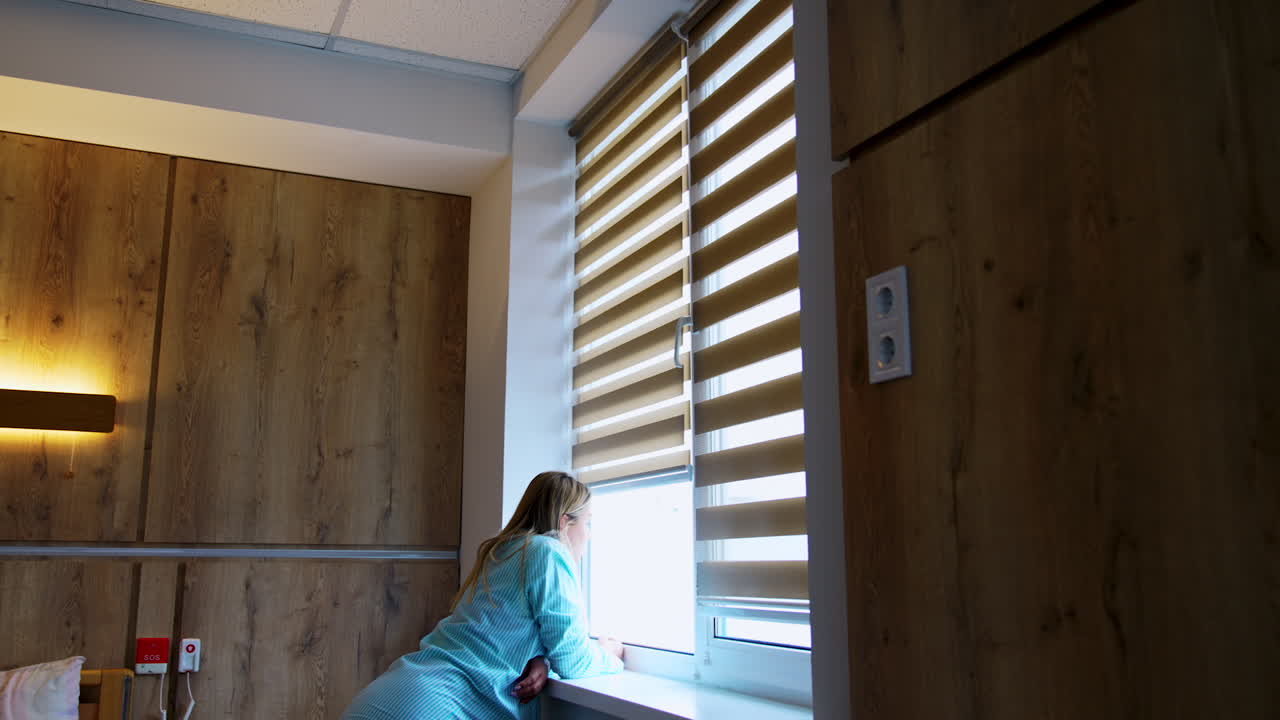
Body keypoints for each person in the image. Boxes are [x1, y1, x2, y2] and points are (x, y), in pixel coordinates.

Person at [341, 471, 624, 720]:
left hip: (392, 693)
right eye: (588, 523)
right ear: (564, 523)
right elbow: (573, 660)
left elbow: (499, 635)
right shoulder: (549, 552)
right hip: (428, 708)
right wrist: (610, 655)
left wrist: (542, 660)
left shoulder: (502, 552)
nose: (589, 535)